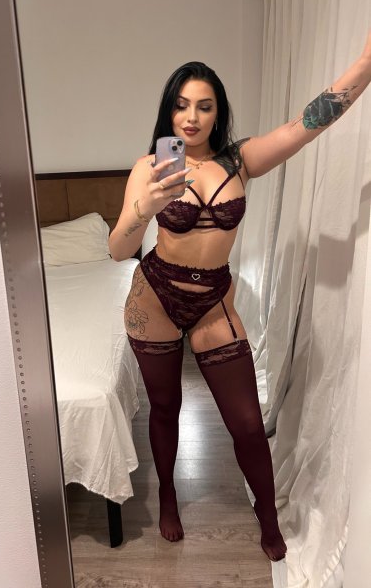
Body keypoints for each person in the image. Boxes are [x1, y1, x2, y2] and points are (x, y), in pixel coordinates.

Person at [108, 32, 371, 562]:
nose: (191, 117)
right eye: (182, 105)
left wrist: (364, 64)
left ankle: (268, 518)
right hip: (154, 296)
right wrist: (145, 206)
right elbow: (118, 249)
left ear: (218, 113)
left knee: (248, 423)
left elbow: (306, 124)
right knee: (165, 406)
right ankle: (168, 496)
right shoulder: (149, 167)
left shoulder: (240, 160)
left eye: (204, 106)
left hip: (213, 299)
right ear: (169, 111)